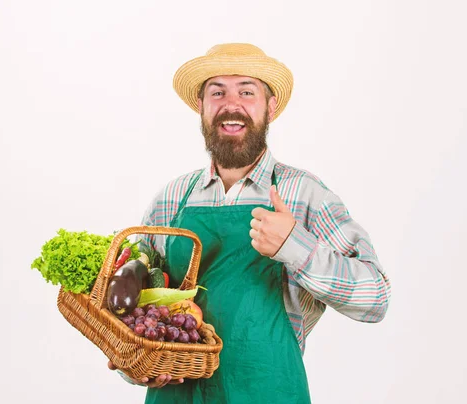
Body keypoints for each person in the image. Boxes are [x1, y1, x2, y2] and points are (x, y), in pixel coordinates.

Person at [108, 43, 392, 403]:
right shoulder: (171, 198)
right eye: (218, 92)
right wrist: (133, 365)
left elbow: (376, 298)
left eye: (246, 91)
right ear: (201, 106)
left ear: (270, 107)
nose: (232, 105)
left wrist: (295, 246)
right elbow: (132, 315)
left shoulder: (302, 193)